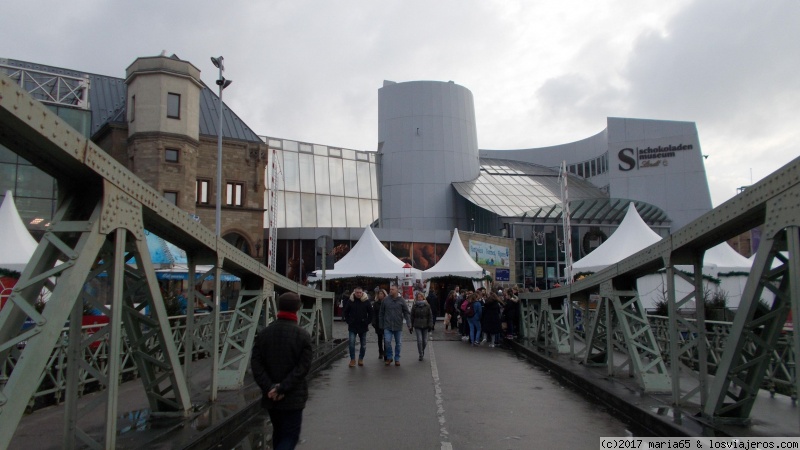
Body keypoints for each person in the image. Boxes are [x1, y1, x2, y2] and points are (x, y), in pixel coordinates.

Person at [251, 292, 312, 450]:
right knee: (290, 436)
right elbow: (303, 367)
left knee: (278, 433)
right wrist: (282, 387)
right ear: (297, 309)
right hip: (293, 395)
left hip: (271, 397)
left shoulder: (264, 334)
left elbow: (256, 364)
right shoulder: (302, 335)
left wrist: (270, 387)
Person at [379, 284, 411, 366]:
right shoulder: (385, 300)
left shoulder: (401, 300)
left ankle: (397, 358)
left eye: (393, 289)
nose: (391, 290)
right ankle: (389, 357)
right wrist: (381, 324)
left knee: (398, 343)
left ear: (397, 290)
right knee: (387, 342)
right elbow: (381, 313)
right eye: (390, 289)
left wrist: (409, 324)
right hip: (387, 325)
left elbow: (406, 313)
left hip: (398, 325)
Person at [342, 286, 373, 367]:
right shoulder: (350, 301)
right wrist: (349, 321)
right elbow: (345, 312)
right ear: (354, 292)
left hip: (363, 326)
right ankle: (352, 359)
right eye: (357, 292)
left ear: (362, 293)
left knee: (363, 345)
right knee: (351, 343)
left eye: (360, 292)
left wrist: (367, 322)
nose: (358, 294)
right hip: (353, 326)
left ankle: (361, 359)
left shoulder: (366, 301)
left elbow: (371, 313)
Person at [410, 291, 434, 361]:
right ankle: (420, 354)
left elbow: (430, 316)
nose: (419, 298)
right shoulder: (415, 306)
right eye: (418, 297)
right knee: (419, 340)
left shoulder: (427, 305)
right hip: (417, 325)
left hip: (425, 325)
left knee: (425, 341)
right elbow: (412, 316)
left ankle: (422, 350)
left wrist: (430, 324)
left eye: (420, 297)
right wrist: (411, 325)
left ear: (423, 297)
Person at [372, 289, 387, 359]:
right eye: (379, 294)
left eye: (382, 294)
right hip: (378, 323)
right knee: (380, 338)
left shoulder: (387, 302)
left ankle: (386, 353)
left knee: (386, 338)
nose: (380, 295)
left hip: (386, 322)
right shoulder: (376, 303)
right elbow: (374, 313)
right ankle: (380, 352)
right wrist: (374, 322)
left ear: (384, 294)